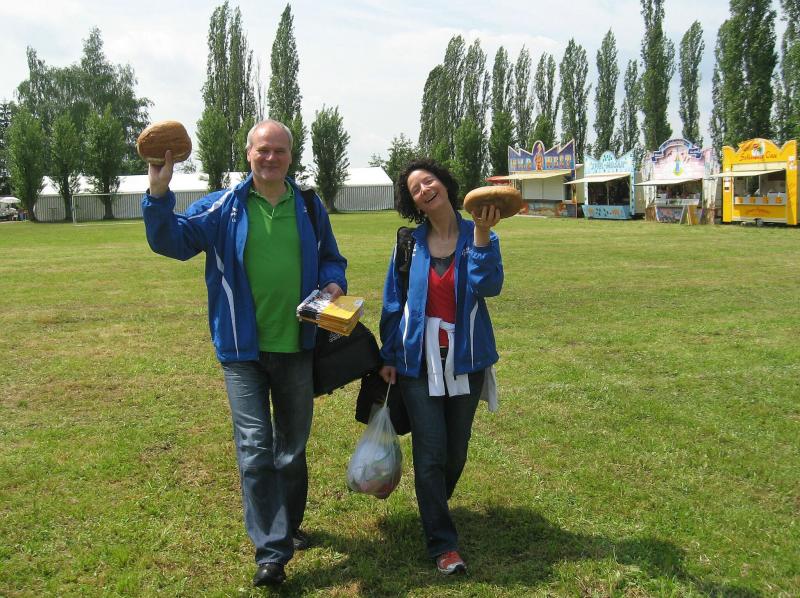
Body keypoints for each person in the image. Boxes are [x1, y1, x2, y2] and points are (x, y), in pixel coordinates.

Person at [141, 119, 347, 587]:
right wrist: (158, 192)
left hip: (297, 345)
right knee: (255, 448)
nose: (270, 158)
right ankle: (271, 552)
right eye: (262, 150)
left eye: (279, 150)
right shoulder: (223, 206)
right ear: (248, 153)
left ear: (290, 156)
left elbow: (332, 258)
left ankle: (289, 526)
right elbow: (171, 241)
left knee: (290, 450)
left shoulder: (309, 205)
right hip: (241, 350)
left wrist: (334, 283)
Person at [378, 158, 503, 575]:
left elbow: (489, 286)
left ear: (445, 185)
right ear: (413, 203)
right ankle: (443, 543)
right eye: (415, 189)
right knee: (430, 452)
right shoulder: (409, 243)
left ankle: (432, 505)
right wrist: (390, 356)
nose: (424, 190)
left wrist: (481, 234)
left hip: (466, 360)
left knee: (455, 452)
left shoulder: (478, 235)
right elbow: (393, 302)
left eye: (428, 181)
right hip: (417, 362)